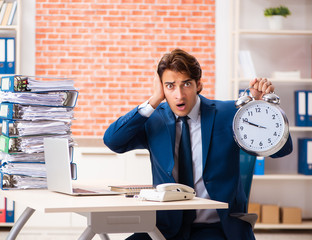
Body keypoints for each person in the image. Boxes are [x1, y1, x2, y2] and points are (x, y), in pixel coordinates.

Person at [103, 49, 293, 240]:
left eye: (186, 84)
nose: (179, 95)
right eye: (170, 86)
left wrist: (264, 110)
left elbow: (282, 150)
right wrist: (153, 100)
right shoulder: (154, 120)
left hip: (217, 229)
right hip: (165, 229)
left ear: (198, 84)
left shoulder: (228, 114)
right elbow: (113, 141)